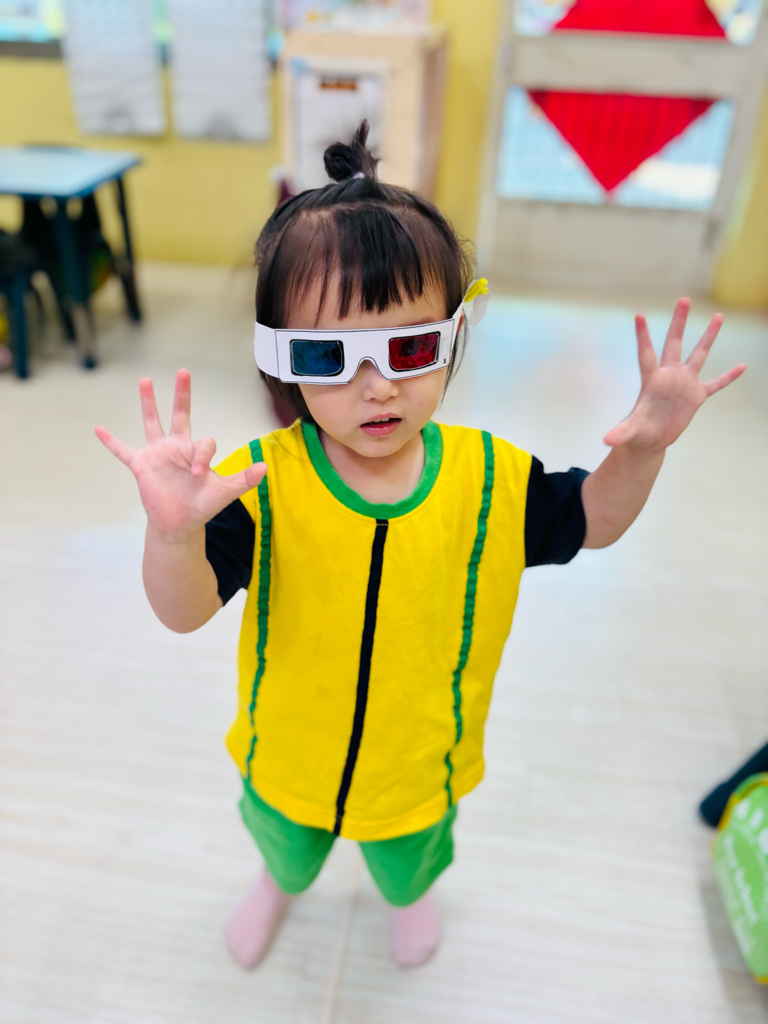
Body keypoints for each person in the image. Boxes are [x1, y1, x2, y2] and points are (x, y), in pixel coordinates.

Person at [95, 123, 745, 970]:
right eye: (331, 356)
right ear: (281, 362)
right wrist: (174, 533)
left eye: (410, 348)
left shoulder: (490, 479)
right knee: (285, 849)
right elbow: (182, 612)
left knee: (408, 865)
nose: (379, 387)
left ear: (453, 335)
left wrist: (644, 449)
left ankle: (409, 897)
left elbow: (593, 518)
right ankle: (278, 885)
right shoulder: (259, 482)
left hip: (419, 758)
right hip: (288, 750)